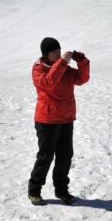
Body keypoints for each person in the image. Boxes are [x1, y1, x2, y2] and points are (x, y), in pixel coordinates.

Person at [28, 37, 90, 206]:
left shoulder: (64, 69)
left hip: (65, 118)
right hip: (47, 120)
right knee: (45, 156)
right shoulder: (38, 69)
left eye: (58, 50)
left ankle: (61, 190)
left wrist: (82, 62)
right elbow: (49, 83)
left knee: (65, 156)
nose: (58, 52)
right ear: (46, 54)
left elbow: (82, 79)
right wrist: (62, 62)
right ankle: (34, 190)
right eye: (54, 51)